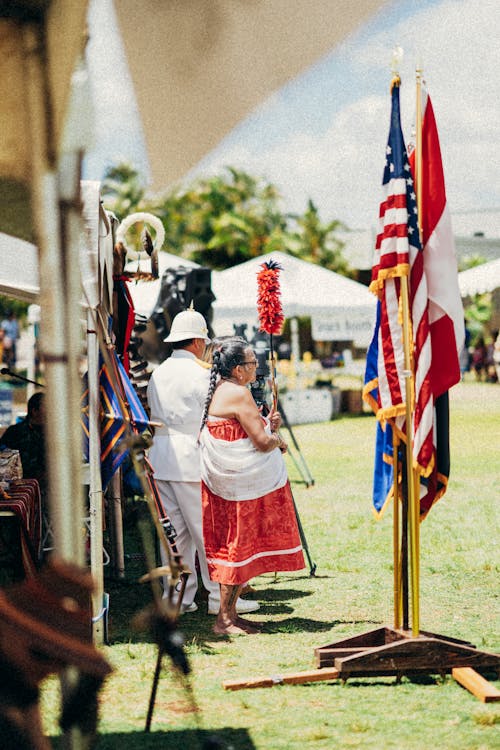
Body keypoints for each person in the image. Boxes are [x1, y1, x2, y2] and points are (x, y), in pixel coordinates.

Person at [147, 309, 259, 617]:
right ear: (198, 341)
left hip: (161, 457)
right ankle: (217, 599)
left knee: (174, 536)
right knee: (207, 533)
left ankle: (178, 598)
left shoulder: (159, 371)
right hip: (189, 457)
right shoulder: (200, 374)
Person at [199, 337, 305, 635]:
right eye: (251, 363)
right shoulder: (239, 393)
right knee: (237, 544)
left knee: (231, 543)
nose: (256, 367)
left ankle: (229, 615)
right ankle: (225, 619)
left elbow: (242, 431)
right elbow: (260, 442)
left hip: (223, 481)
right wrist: (278, 439)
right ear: (237, 369)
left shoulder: (219, 389)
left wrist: (267, 426)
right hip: (240, 485)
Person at [1, 391, 47, 494]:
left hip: (49, 492)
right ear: (34, 411)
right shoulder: (14, 432)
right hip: (20, 490)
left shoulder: (54, 435)